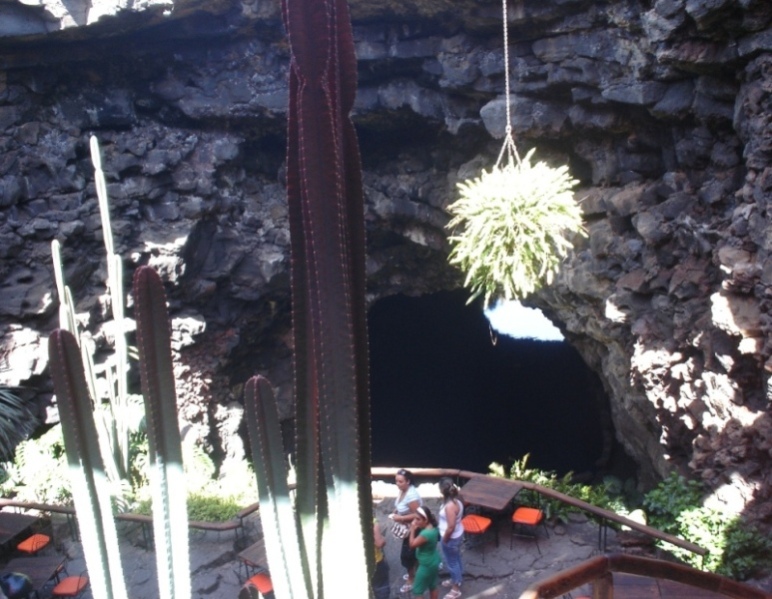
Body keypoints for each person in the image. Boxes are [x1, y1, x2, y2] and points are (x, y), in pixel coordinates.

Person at [392, 468, 423, 593]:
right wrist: (397, 511)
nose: (397, 484)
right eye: (396, 481)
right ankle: (415, 571)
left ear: (408, 481)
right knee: (413, 552)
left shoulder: (411, 495)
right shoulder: (403, 490)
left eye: (400, 481)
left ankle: (411, 578)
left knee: (406, 555)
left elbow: (418, 514)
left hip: (414, 528)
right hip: (408, 526)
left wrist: (401, 517)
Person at [438, 477, 464, 599]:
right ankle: (456, 579)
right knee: (456, 559)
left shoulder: (449, 506)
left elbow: (451, 527)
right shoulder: (457, 500)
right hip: (458, 535)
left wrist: (445, 539)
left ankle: (456, 589)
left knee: (452, 562)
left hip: (451, 538)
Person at [408, 506, 441, 599]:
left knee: (417, 590)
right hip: (433, 560)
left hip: (426, 565)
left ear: (426, 520)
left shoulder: (425, 534)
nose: (415, 521)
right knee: (432, 585)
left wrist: (412, 530)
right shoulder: (432, 527)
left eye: (418, 519)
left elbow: (412, 544)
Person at [372, 518, 390, 599]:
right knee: (381, 588)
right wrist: (383, 538)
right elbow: (379, 543)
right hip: (376, 562)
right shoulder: (372, 521)